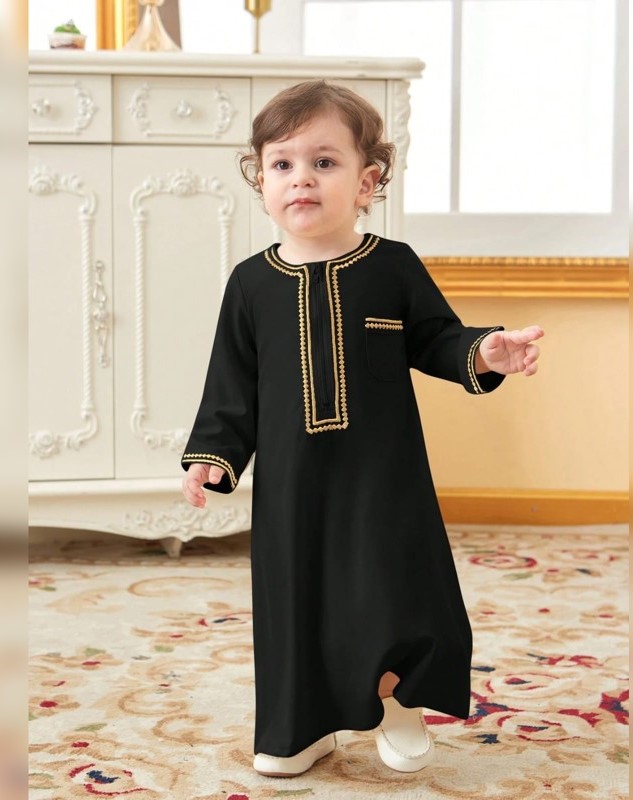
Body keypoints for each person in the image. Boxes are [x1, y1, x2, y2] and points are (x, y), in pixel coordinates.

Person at [180, 80, 544, 778]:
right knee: (296, 600)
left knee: (390, 586)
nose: (301, 179)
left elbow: (437, 339)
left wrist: (483, 351)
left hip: (383, 476)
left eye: (324, 162)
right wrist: (213, 457)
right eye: (282, 164)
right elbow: (231, 385)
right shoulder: (250, 283)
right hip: (292, 485)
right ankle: (300, 727)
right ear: (261, 181)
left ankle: (395, 701)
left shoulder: (391, 266)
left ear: (367, 181)